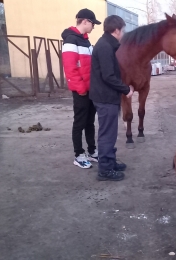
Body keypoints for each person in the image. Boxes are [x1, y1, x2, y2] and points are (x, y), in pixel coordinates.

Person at [89, 15, 134, 181]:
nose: (123, 34)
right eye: (122, 30)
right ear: (116, 30)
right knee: (107, 133)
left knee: (110, 132)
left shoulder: (107, 44)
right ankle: (105, 169)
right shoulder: (105, 47)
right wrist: (125, 89)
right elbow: (108, 76)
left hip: (107, 96)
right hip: (105, 97)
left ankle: (110, 160)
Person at [62, 9, 101, 169]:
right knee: (79, 122)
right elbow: (70, 69)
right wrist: (80, 88)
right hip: (81, 91)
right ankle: (78, 154)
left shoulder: (85, 41)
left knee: (90, 122)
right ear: (85, 21)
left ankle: (92, 151)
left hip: (90, 90)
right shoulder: (71, 40)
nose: (94, 27)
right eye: (93, 23)